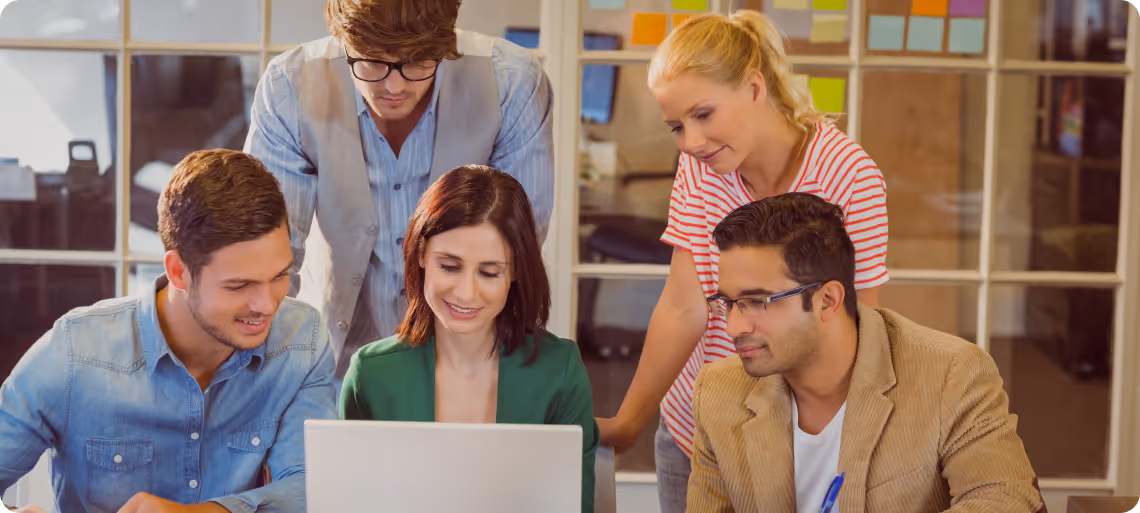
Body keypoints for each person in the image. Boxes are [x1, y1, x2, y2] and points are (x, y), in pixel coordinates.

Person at [596, 10, 891, 511]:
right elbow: (682, 306)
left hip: (797, 439)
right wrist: (629, 422)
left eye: (704, 115)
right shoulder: (700, 169)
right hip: (696, 428)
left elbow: (856, 326)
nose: (690, 142)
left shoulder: (848, 175)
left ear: (755, 88)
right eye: (676, 126)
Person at [0, 150, 336, 513]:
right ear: (178, 272)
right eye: (239, 286)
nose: (267, 304)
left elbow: (311, 489)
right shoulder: (74, 353)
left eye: (279, 276)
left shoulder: (303, 341)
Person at [244, 0, 554, 377]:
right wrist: (256, 369)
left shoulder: (511, 82)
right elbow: (269, 247)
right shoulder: (289, 87)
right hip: (331, 359)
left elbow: (514, 244)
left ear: (446, 40)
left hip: (470, 357)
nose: (394, 86)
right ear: (341, 39)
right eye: (371, 61)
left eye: (418, 61)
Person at [686, 193, 1045, 513]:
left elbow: (1005, 499)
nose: (733, 327)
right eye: (728, 303)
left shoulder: (951, 372)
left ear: (827, 301)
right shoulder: (718, 391)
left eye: (755, 302)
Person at [339, 165, 597, 513]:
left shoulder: (559, 372)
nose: (466, 292)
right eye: (450, 266)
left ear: (517, 271)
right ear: (420, 254)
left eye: (489, 272)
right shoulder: (370, 374)